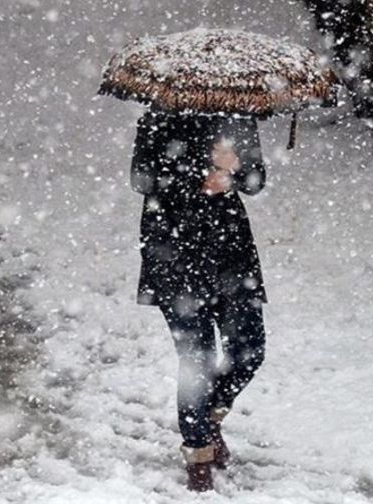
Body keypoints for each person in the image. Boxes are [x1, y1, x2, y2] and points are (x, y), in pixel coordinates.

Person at [130, 106, 268, 492]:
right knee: (197, 360)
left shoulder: (238, 117)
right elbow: (142, 179)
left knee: (250, 349)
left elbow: (256, 181)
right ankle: (198, 455)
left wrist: (235, 170)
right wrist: (202, 172)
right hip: (174, 251)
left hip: (230, 253)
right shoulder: (158, 118)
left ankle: (207, 417)